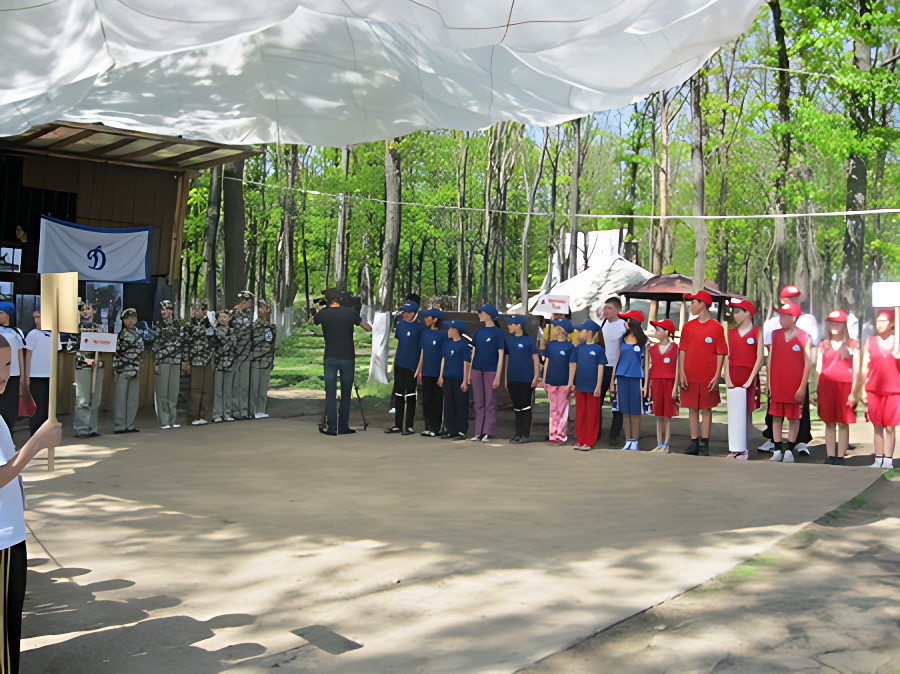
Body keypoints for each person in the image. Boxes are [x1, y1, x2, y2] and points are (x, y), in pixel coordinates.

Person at [0, 332, 62, 672]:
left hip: (9, 531)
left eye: (8, 365)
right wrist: (36, 443)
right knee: (4, 630)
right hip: (3, 539)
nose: (3, 375)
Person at [761, 284, 819, 454]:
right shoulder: (773, 324)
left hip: (798, 375)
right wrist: (769, 380)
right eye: (790, 298)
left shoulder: (808, 320)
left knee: (799, 411)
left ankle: (799, 442)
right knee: (775, 411)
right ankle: (774, 441)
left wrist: (810, 375)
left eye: (796, 297)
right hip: (779, 376)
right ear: (782, 299)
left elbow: (811, 350)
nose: (794, 300)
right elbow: (769, 352)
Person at [314, 287, 372, 435]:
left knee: (331, 393)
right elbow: (367, 327)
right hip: (348, 357)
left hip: (330, 357)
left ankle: (332, 427)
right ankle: (344, 426)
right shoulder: (350, 312)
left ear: (328, 300)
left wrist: (321, 309)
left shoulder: (323, 314)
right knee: (346, 393)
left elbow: (313, 321)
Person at [677, 290, 728, 456]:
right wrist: (681, 372)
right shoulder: (687, 327)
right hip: (690, 375)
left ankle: (704, 443)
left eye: (693, 302)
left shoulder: (716, 327)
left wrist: (717, 375)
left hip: (708, 376)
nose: (690, 306)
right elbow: (682, 351)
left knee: (706, 409)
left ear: (703, 304)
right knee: (692, 408)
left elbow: (721, 352)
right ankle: (694, 442)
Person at [766, 301, 812, 463]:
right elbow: (770, 360)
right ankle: (777, 448)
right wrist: (770, 383)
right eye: (780, 315)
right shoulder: (775, 335)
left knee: (793, 417)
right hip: (778, 383)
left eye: (785, 315)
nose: (781, 318)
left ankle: (789, 449)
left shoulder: (804, 337)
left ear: (794, 318)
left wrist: (802, 386)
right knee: (776, 416)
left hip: (794, 385)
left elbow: (808, 362)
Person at [815, 309, 859, 466]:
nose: (835, 326)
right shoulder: (823, 345)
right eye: (832, 322)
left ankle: (840, 455)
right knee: (829, 421)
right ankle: (830, 455)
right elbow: (819, 367)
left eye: (839, 323)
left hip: (845, 386)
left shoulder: (852, 345)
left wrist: (854, 392)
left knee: (843, 421)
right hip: (826, 385)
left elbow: (856, 370)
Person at [724, 298, 764, 460]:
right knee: (734, 412)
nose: (735, 315)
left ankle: (744, 448)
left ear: (748, 313)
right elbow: (725, 356)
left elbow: (760, 357)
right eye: (734, 312)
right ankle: (734, 447)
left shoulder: (757, 332)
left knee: (746, 413)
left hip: (749, 375)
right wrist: (727, 377)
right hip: (733, 373)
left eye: (738, 311)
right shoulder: (730, 333)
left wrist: (751, 378)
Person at [861, 309, 900, 469]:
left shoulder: (897, 343)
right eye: (878, 321)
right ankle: (878, 458)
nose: (880, 324)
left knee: (890, 427)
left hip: (893, 391)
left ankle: (888, 459)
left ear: (892, 324)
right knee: (877, 425)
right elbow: (865, 366)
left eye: (884, 321)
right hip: (874, 390)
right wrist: (862, 389)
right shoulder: (870, 342)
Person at [567, 319, 607, 450]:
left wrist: (598, 386)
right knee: (580, 414)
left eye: (582, 330)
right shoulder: (578, 348)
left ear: (589, 332)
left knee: (592, 414)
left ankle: (589, 441)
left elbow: (601, 368)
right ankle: (581, 440)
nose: (580, 333)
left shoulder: (598, 349)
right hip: (580, 385)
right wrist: (571, 382)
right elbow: (573, 364)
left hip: (592, 386)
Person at [610, 310, 647, 451]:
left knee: (635, 411)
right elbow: (616, 359)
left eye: (626, 320)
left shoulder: (644, 341)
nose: (624, 322)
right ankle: (628, 440)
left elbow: (646, 363)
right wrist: (612, 380)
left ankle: (635, 441)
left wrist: (646, 384)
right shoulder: (622, 338)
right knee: (624, 410)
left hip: (636, 377)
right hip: (621, 376)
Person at [385, 301, 423, 435]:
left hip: (412, 365)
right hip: (400, 363)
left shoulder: (420, 328)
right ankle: (398, 425)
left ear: (415, 314)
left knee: (411, 394)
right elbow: (399, 342)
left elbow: (422, 349)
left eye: (409, 313)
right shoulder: (400, 325)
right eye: (405, 313)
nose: (406, 315)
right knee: (399, 393)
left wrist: (419, 368)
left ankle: (409, 425)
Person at [468, 305, 504, 442]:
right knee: (478, 401)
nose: (479, 315)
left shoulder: (498, 332)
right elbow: (474, 352)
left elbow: (501, 355)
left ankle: (488, 431)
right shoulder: (479, 332)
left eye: (481, 312)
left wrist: (498, 376)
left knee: (490, 401)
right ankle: (478, 431)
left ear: (489, 314)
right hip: (477, 368)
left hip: (491, 369)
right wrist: (470, 371)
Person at [67, 299, 102, 438]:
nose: (86, 311)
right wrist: (84, 358)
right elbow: (70, 347)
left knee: (95, 399)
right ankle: (81, 429)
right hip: (82, 366)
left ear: (95, 311)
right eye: (83, 309)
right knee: (83, 400)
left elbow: (107, 344)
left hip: (97, 366)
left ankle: (92, 427)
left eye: (89, 308)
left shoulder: (100, 327)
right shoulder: (76, 328)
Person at [504, 315, 540, 444]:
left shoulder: (529, 341)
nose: (509, 326)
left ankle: (525, 434)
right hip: (512, 377)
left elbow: (535, 358)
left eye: (511, 324)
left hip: (526, 378)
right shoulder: (508, 340)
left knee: (525, 406)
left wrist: (536, 377)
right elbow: (507, 359)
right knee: (517, 406)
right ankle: (518, 433)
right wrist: (506, 377)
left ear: (519, 325)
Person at [540, 318, 575, 445]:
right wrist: (544, 379)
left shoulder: (570, 347)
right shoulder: (551, 345)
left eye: (557, 327)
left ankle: (561, 434)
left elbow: (572, 365)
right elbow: (547, 362)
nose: (555, 329)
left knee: (562, 408)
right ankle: (553, 434)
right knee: (553, 408)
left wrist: (570, 382)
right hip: (551, 380)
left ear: (563, 330)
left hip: (564, 381)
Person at [24, 309, 58, 437]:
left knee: (48, 407)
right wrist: (26, 376)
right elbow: (27, 355)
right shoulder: (33, 334)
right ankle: (34, 434)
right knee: (38, 407)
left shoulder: (54, 334)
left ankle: (45, 433)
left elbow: (56, 354)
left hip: (50, 376)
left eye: (40, 317)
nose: (37, 320)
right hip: (36, 376)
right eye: (35, 317)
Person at [645, 318, 678, 452]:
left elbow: (678, 368)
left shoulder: (675, 348)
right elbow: (648, 367)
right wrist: (647, 385)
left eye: (658, 330)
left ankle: (666, 444)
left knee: (667, 415)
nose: (656, 332)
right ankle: (659, 443)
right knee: (658, 414)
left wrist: (676, 387)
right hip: (656, 381)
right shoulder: (652, 349)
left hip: (669, 382)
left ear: (667, 332)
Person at [152, 300, 185, 429]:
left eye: (169, 309)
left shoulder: (178, 325)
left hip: (176, 360)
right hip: (163, 360)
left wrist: (183, 360)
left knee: (173, 391)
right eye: (164, 310)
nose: (167, 312)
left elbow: (183, 343)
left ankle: (172, 419)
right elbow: (155, 345)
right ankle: (164, 420)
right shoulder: (157, 325)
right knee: (162, 392)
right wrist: (156, 363)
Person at [598, 297, 626, 443]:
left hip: (617, 367)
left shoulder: (623, 326)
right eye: (605, 308)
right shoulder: (602, 324)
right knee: (597, 400)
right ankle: (595, 432)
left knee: (616, 403)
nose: (606, 311)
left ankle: (614, 435)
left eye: (609, 308)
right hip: (603, 367)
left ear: (617, 310)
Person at [415, 308, 446, 437]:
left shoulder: (443, 335)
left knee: (437, 399)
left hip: (437, 372)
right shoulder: (425, 333)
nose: (425, 319)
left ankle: (436, 427)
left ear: (435, 319)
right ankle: (427, 425)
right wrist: (419, 370)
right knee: (426, 398)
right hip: (426, 371)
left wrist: (441, 374)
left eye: (428, 317)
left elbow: (444, 355)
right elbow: (423, 352)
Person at [113, 308, 146, 434]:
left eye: (133, 318)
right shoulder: (121, 335)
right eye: (127, 319)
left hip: (135, 369)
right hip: (123, 369)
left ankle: (130, 424)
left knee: (133, 399)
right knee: (120, 398)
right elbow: (117, 353)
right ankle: (120, 425)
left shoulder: (139, 332)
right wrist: (116, 369)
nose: (130, 321)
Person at [438, 320, 471, 440]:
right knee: (448, 403)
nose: (448, 331)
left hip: (459, 377)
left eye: (450, 328)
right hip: (448, 376)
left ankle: (461, 430)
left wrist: (465, 380)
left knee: (460, 403)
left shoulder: (464, 344)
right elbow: (444, 359)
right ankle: (450, 429)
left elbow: (466, 363)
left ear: (456, 330)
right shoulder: (447, 343)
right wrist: (441, 375)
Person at [187, 302, 215, 425]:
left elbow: (214, 338)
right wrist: (186, 361)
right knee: (196, 390)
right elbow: (187, 343)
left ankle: (205, 415)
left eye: (201, 310)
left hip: (208, 360)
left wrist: (211, 323)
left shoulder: (209, 324)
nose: (198, 312)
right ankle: (194, 416)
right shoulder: (189, 326)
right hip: (195, 361)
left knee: (207, 389)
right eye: (196, 310)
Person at [0, 303, 25, 433]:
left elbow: (21, 354)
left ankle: (8, 435)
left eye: (0, 313)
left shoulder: (17, 332)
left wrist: (23, 376)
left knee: (12, 408)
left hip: (14, 375)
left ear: (8, 314)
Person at [231, 291, 255, 419]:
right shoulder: (234, 314)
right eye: (242, 300)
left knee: (245, 383)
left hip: (247, 352)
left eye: (246, 300)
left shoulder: (252, 315)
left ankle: (245, 410)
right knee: (236, 383)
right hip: (236, 352)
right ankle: (235, 410)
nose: (243, 303)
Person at [250, 299, 276, 419]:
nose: (264, 311)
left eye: (266, 308)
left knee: (263, 389)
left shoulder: (272, 327)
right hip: (255, 361)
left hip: (266, 361)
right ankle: (254, 410)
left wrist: (272, 361)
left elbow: (272, 345)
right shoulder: (254, 326)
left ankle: (261, 409)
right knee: (254, 388)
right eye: (261, 308)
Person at [212, 311, 237, 423]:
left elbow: (235, 345)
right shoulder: (215, 330)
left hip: (230, 363)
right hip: (218, 363)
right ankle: (217, 413)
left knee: (228, 390)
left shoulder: (233, 331)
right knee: (218, 390)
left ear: (229, 318)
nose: (222, 319)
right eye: (220, 317)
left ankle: (227, 413)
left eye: (225, 317)